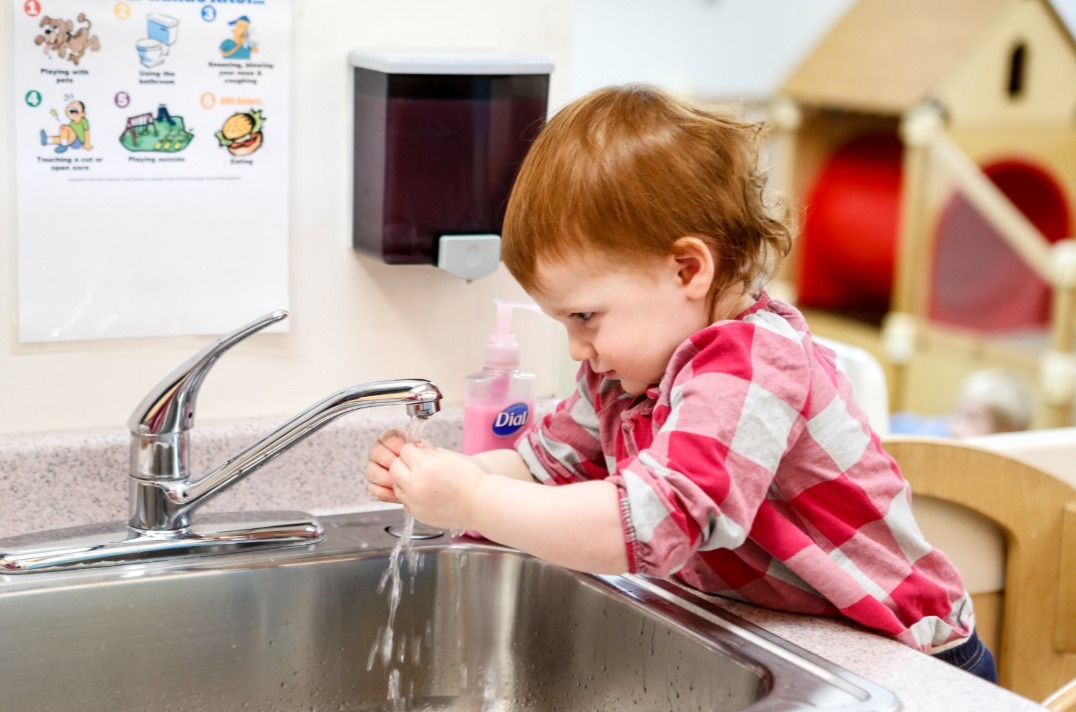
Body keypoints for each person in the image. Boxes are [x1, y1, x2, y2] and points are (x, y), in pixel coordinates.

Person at [366, 84, 996, 682]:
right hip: (802, 642)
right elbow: (542, 468)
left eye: (585, 316)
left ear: (688, 269)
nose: (577, 348)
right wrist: (444, 474)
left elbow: (653, 523)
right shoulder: (623, 376)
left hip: (912, 662)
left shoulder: (752, 364)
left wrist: (474, 500)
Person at [890, 368, 1034, 438]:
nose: (955, 428)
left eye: (971, 418)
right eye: (956, 413)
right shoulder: (940, 432)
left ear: (1004, 432)